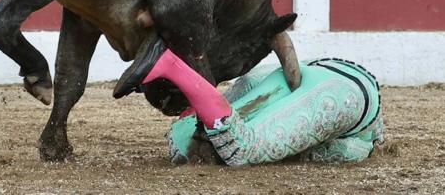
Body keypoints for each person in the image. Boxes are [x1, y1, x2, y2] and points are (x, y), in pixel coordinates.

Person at [119, 39, 384, 166]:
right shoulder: (361, 146)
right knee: (240, 150)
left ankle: (173, 68)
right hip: (343, 94)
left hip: (310, 71)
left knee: (185, 147)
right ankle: (171, 65)